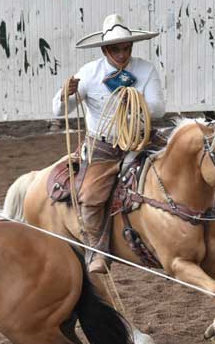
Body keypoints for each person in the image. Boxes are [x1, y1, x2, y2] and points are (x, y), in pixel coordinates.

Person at [52, 14, 165, 273]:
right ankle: (97, 252)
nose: (123, 54)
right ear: (105, 50)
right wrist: (64, 94)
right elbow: (61, 110)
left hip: (140, 138)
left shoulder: (145, 69)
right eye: (116, 49)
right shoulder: (89, 74)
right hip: (104, 146)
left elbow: (158, 108)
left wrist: (133, 98)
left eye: (126, 48)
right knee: (90, 197)